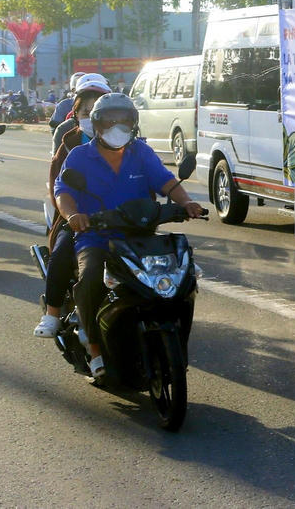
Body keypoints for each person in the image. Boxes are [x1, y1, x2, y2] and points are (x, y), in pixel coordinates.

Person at [52, 93, 204, 378]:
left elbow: (166, 182)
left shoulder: (141, 152)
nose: (116, 127)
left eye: (123, 121)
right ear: (97, 124)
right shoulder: (80, 156)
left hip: (140, 235)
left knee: (183, 274)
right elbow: (64, 192)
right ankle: (95, 350)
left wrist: (186, 203)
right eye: (109, 121)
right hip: (96, 238)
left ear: (133, 124)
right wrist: (73, 216)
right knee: (91, 278)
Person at [32, 74, 112, 338]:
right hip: (79, 219)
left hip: (120, 217)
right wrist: (72, 214)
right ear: (76, 113)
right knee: (62, 252)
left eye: (97, 110)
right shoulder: (68, 144)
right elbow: (59, 186)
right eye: (85, 111)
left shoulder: (127, 142)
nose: (91, 117)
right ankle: (52, 313)